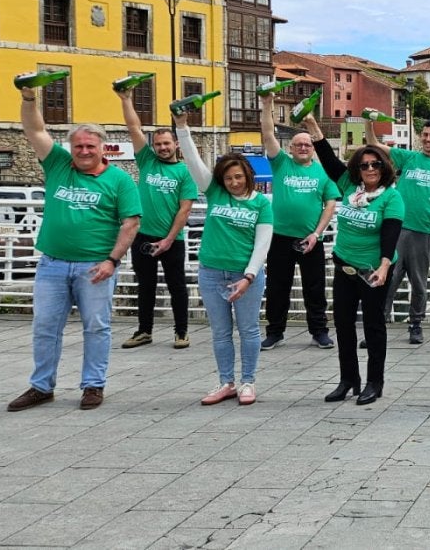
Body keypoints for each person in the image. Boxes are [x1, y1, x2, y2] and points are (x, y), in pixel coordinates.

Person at [7, 87, 140, 412]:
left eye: (89, 146)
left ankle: (93, 385)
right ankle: (41, 386)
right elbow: (34, 129)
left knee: (96, 326)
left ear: (102, 147)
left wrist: (112, 260)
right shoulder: (58, 165)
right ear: (71, 147)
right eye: (78, 145)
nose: (83, 151)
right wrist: (28, 99)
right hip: (52, 264)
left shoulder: (119, 181)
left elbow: (131, 223)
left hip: (96, 266)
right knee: (45, 326)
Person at [303, 117, 405, 406]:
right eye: (364, 165)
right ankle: (348, 379)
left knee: (374, 326)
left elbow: (391, 234)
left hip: (374, 270)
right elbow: (326, 155)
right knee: (343, 324)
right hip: (345, 265)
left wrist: (385, 266)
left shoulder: (391, 198)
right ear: (357, 169)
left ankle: (375, 382)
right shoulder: (349, 185)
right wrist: (313, 126)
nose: (370, 169)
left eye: (375, 165)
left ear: (384, 168)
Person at [173, 111, 272, 406]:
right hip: (212, 272)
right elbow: (193, 161)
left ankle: (248, 382)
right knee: (220, 331)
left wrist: (249, 277)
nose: (233, 182)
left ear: (248, 176)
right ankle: (226, 381)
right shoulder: (215, 193)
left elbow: (262, 245)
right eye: (228, 178)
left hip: (245, 276)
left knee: (250, 329)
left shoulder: (261, 203)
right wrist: (182, 127)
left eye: (238, 176)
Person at [364, 117, 430, 345]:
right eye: (425, 135)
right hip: (396, 229)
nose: (428, 139)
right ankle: (378, 325)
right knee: (388, 279)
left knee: (419, 282)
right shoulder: (408, 158)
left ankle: (415, 323)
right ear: (420, 136)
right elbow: (374, 144)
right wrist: (368, 122)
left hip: (422, 231)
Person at [116, 88, 197, 350]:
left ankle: (181, 332)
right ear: (154, 147)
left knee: (177, 286)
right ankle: (144, 331)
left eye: (166, 143)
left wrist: (169, 239)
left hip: (173, 240)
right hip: (143, 236)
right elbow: (133, 127)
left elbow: (184, 209)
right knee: (145, 286)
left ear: (175, 144)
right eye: (158, 144)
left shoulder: (185, 172)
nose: (162, 148)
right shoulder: (147, 162)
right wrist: (126, 99)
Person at [259, 95, 341, 350]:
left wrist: (317, 233)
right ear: (290, 149)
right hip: (280, 237)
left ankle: (319, 332)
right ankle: (274, 332)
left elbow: (330, 205)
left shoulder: (323, 172)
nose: (303, 148)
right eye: (298, 145)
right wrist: (267, 104)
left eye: (307, 144)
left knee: (315, 289)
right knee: (276, 288)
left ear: (313, 148)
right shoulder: (281, 163)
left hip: (311, 239)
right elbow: (267, 135)